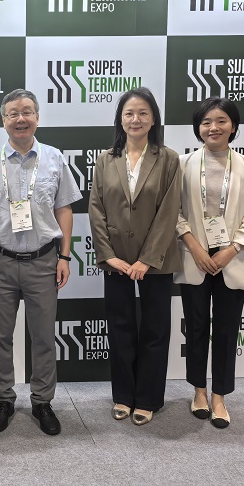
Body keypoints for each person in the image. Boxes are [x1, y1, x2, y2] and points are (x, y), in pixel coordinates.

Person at [0, 89, 81, 436]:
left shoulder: (54, 158)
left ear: (37, 117)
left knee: (44, 337)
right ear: (3, 120)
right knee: (0, 336)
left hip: (43, 261)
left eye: (28, 112)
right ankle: (3, 399)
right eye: (13, 113)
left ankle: (42, 402)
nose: (21, 119)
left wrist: (65, 256)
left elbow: (64, 209)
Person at [87, 87, 181, 426]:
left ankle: (148, 398)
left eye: (143, 113)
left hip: (156, 261)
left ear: (153, 119)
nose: (136, 119)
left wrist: (148, 259)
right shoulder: (105, 159)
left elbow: (169, 212)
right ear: (120, 119)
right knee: (120, 328)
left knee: (155, 330)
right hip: (116, 261)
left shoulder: (168, 158)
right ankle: (123, 396)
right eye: (129, 113)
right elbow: (96, 209)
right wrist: (107, 255)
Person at [175, 97, 244, 429]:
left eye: (221, 120)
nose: (214, 127)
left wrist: (230, 250)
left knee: (226, 331)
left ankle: (219, 397)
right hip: (194, 258)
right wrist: (195, 247)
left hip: (232, 260)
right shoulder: (182, 164)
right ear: (198, 128)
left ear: (233, 126)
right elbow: (174, 213)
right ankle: (199, 391)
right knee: (196, 328)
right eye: (206, 122)